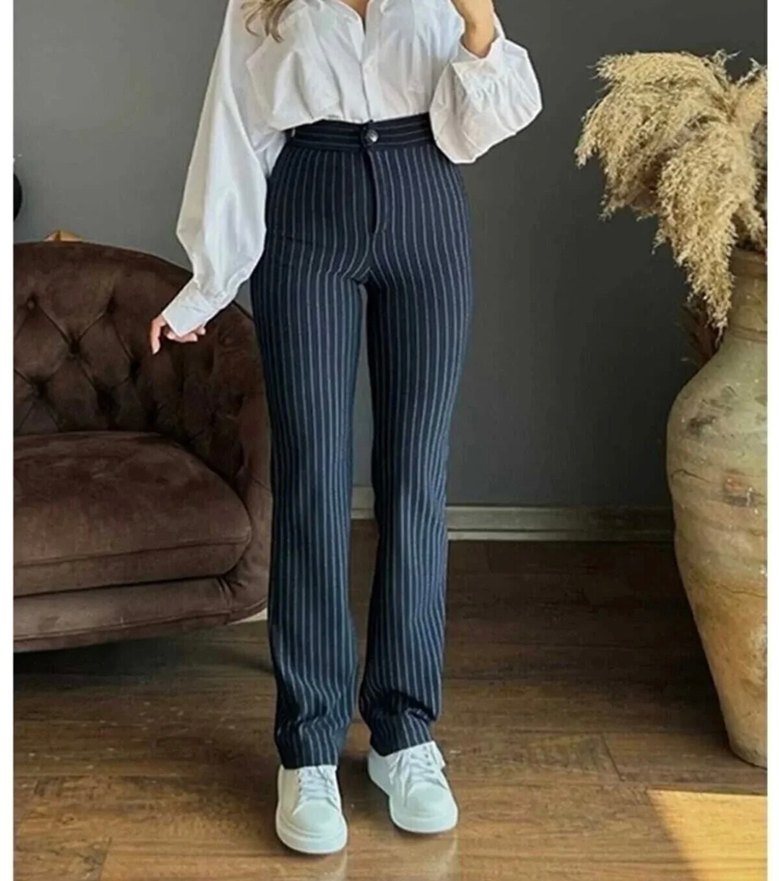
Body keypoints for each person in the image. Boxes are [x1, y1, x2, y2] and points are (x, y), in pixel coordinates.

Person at [149, 0, 541, 856]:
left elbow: (481, 126)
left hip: (425, 198)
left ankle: (403, 733)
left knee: (416, 478)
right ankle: (309, 745)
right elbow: (235, 125)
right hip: (306, 210)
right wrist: (207, 285)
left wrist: (478, 22)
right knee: (312, 481)